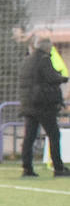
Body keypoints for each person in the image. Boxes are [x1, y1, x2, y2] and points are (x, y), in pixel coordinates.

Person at [17, 36, 68, 177]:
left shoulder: (27, 60)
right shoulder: (44, 59)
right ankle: (58, 168)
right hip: (43, 105)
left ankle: (27, 168)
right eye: (51, 46)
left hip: (28, 105)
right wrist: (63, 78)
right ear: (46, 47)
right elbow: (51, 78)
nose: (51, 48)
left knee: (29, 137)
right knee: (54, 135)